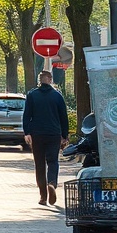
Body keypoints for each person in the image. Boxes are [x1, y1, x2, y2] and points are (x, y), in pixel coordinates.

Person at [22, 69, 69, 206]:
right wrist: (64, 135)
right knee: (53, 161)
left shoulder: (32, 95)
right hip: (53, 134)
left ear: (39, 80)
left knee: (39, 164)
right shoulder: (57, 96)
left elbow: (27, 115)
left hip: (37, 134)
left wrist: (27, 132)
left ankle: (43, 196)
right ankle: (52, 183)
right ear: (50, 79)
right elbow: (63, 117)